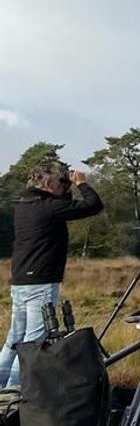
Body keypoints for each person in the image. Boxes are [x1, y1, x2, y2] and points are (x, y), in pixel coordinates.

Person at [0, 161, 104, 388]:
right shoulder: (49, 208)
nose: (65, 185)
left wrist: (65, 187)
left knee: (14, 340)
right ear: (47, 183)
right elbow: (93, 205)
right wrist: (82, 184)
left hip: (21, 281)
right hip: (41, 283)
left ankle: (1, 388)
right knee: (33, 344)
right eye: (61, 182)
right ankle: (14, 394)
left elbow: (60, 204)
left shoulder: (25, 204)